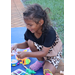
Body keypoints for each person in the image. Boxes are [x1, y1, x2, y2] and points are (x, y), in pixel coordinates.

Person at [11, 4, 62, 74]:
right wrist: (16, 45)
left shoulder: (50, 32)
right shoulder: (30, 31)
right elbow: (27, 44)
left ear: (41, 22)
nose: (27, 27)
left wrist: (26, 54)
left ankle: (48, 61)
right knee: (30, 42)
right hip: (42, 49)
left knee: (47, 71)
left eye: (30, 25)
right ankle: (40, 61)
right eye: (26, 24)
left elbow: (44, 52)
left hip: (52, 52)